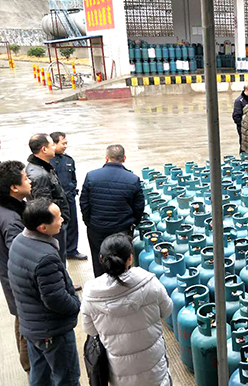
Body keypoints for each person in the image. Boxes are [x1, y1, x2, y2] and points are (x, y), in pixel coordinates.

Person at [81, 234, 173, 386]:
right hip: (155, 371)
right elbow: (167, 310)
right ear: (130, 258)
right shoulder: (150, 282)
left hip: (120, 374)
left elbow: (90, 330)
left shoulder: (91, 294)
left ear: (101, 259)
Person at [8, 198, 81, 385]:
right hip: (52, 331)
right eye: (58, 218)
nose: (62, 220)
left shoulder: (19, 241)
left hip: (33, 327)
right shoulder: (45, 257)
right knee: (67, 379)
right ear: (42, 227)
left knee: (40, 376)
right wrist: (76, 304)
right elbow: (56, 299)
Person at [80, 144, 145, 277]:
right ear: (124, 158)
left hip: (97, 228)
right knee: (121, 258)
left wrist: (89, 222)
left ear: (106, 158)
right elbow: (139, 207)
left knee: (99, 257)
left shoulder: (92, 176)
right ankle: (122, 283)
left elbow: (84, 203)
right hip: (121, 228)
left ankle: (101, 281)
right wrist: (133, 223)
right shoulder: (132, 179)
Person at [0, 161, 31, 373]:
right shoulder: (12, 220)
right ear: (14, 187)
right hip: (18, 282)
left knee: (22, 318)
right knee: (27, 323)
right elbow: (20, 257)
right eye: (25, 178)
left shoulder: (10, 209)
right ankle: (31, 367)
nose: (30, 181)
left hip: (10, 278)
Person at [26, 133, 71, 264]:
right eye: (52, 145)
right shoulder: (39, 174)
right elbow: (44, 206)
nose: (54, 147)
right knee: (57, 258)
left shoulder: (42, 167)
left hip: (57, 221)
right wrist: (57, 221)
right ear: (44, 149)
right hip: (52, 225)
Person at [50, 132, 86, 261]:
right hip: (54, 201)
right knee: (57, 227)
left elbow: (73, 179)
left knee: (72, 225)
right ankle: (58, 252)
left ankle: (72, 250)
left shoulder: (69, 160)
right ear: (53, 144)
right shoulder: (47, 161)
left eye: (66, 143)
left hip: (69, 198)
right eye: (63, 143)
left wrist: (71, 190)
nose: (65, 146)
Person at [232, 83, 248, 153]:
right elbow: (236, 117)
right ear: (246, 90)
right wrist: (244, 125)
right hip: (243, 128)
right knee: (244, 145)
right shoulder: (239, 101)